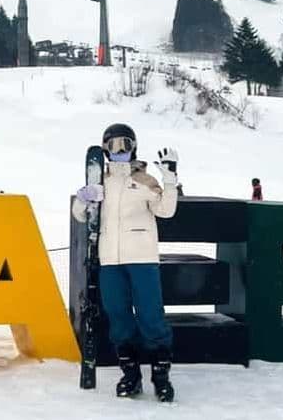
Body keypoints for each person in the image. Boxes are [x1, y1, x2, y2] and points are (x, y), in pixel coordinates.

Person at [72, 123, 179, 402]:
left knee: (150, 315)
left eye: (125, 145)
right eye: (112, 146)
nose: (119, 151)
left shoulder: (144, 180)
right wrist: (84, 198)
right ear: (105, 150)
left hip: (141, 258)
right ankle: (130, 375)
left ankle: (161, 376)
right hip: (110, 260)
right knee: (117, 314)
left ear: (134, 148)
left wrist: (169, 180)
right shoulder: (100, 181)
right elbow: (82, 215)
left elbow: (165, 210)